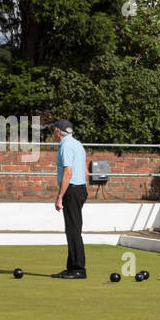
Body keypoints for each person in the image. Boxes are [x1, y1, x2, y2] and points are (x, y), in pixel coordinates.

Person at [51, 119, 88, 279]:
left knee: (73, 230)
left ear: (58, 131)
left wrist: (60, 196)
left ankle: (79, 269)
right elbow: (86, 170)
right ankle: (72, 267)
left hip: (72, 190)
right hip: (79, 189)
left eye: (54, 130)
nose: (53, 133)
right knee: (73, 229)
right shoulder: (77, 144)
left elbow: (68, 172)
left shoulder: (65, 145)